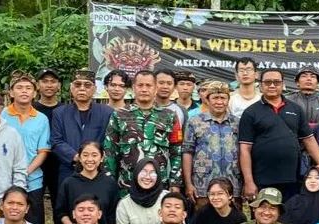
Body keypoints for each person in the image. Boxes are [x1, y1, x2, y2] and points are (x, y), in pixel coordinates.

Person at [238, 67, 319, 202]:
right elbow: (245, 149)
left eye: (276, 82)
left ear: (283, 84)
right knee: (264, 216)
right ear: (260, 85)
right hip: (262, 177)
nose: (272, 85)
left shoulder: (295, 109)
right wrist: (249, 182)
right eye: (267, 82)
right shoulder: (251, 112)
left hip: (292, 178)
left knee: (290, 217)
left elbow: (309, 140)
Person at [103, 69, 183, 200]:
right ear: (133, 88)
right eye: (140, 85)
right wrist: (109, 181)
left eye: (148, 85)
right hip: (127, 184)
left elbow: (177, 151)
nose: (144, 89)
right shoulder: (119, 115)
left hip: (158, 183)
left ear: (155, 88)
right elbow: (110, 150)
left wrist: (175, 181)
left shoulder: (169, 116)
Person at [1, 71, 51, 224]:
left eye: (28, 88)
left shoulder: (41, 118)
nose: (24, 91)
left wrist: (25, 171)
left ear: (34, 93)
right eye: (19, 87)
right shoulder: (1, 115)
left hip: (33, 180)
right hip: (4, 178)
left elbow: (43, 151)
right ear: (11, 92)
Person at [51, 69, 114, 187]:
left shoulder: (106, 113)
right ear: (71, 88)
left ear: (95, 89)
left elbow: (109, 141)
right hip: (68, 170)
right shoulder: (59, 113)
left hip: (97, 171)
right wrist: (77, 157)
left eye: (87, 85)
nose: (82, 88)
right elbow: (56, 141)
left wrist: (93, 158)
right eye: (77, 84)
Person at [181, 81, 239, 208]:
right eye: (215, 98)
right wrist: (189, 184)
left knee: (232, 222)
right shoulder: (195, 122)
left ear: (228, 100)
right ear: (207, 100)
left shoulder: (237, 123)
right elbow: (187, 152)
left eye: (223, 98)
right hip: (202, 187)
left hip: (232, 185)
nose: (219, 102)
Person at [56, 141, 118, 224]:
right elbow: (60, 212)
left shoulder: (110, 183)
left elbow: (112, 216)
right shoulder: (69, 183)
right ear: (79, 158)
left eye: (94, 155)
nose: (89, 159)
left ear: (101, 158)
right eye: (85, 155)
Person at [115, 158, 166, 224]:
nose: (147, 177)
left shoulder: (167, 198)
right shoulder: (124, 204)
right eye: (143, 171)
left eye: (152, 172)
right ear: (136, 173)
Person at [34, 68, 63, 213]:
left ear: (59, 85)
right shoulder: (32, 109)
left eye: (53, 81)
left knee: (60, 203)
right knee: (34, 203)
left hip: (59, 163)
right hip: (36, 161)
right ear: (38, 85)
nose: (49, 85)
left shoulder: (65, 110)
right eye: (44, 81)